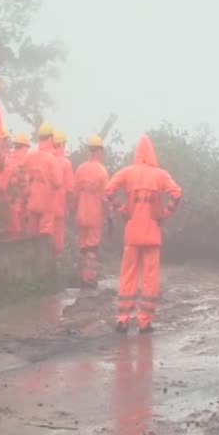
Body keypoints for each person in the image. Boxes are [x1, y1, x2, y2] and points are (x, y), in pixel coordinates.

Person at [104, 135, 181, 334]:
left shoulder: (127, 172)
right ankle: (145, 322)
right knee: (150, 278)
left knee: (127, 276)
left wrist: (122, 209)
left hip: (132, 234)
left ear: (136, 153)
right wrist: (165, 214)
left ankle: (122, 319)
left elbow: (109, 190)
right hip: (152, 234)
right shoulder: (161, 175)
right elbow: (176, 194)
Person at [24, 123, 62, 267]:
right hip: (46, 203)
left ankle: (30, 265)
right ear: (51, 138)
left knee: (31, 234)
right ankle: (42, 267)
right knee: (45, 235)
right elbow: (58, 182)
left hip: (31, 201)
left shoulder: (29, 156)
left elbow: (22, 178)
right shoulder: (52, 159)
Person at [74, 135, 109, 288]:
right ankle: (89, 279)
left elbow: (74, 194)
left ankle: (82, 277)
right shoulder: (102, 171)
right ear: (100, 151)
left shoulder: (80, 169)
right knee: (92, 248)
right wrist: (110, 216)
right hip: (95, 215)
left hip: (81, 214)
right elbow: (105, 198)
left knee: (82, 246)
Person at [0, 133, 31, 240]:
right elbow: (3, 185)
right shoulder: (15, 162)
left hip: (19, 202)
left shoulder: (12, 161)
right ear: (23, 147)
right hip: (17, 202)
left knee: (17, 227)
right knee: (16, 228)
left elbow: (2, 185)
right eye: (27, 147)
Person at [52, 130, 75, 260]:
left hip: (44, 208)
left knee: (44, 238)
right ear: (62, 144)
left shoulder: (46, 159)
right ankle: (56, 268)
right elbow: (70, 189)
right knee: (58, 243)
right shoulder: (66, 163)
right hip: (60, 208)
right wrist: (71, 206)